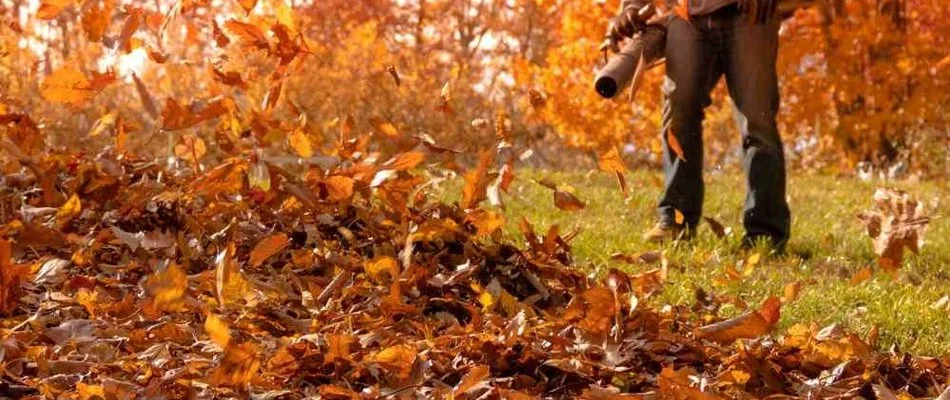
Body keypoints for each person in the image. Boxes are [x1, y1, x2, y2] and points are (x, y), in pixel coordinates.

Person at [605, 0, 791, 250]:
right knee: (678, 114)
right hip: (686, 14)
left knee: (758, 121)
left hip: (749, 13)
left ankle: (765, 233)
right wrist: (631, 6)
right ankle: (676, 220)